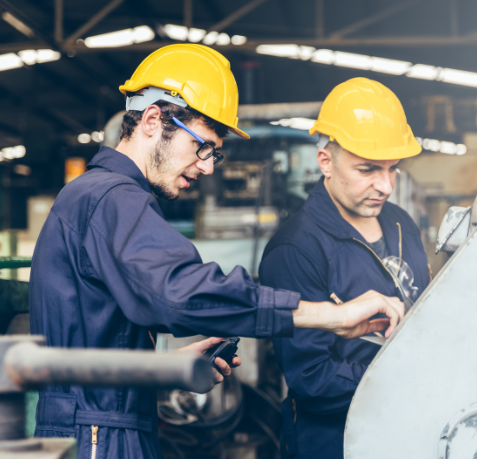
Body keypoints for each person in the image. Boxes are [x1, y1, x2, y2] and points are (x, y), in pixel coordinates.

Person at [28, 46, 404, 459]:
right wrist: (332, 315)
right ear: (153, 120)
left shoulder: (97, 198)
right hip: (99, 438)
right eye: (201, 146)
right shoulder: (111, 198)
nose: (207, 166)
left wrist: (167, 370)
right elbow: (181, 292)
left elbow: (94, 341)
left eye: (214, 153)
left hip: (99, 427)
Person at [259, 77, 431, 459]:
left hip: (409, 431)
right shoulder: (296, 249)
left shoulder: (401, 222)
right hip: (333, 442)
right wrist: (408, 377)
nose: (385, 186)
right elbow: (312, 378)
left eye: (392, 169)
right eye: (368, 170)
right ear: (326, 162)